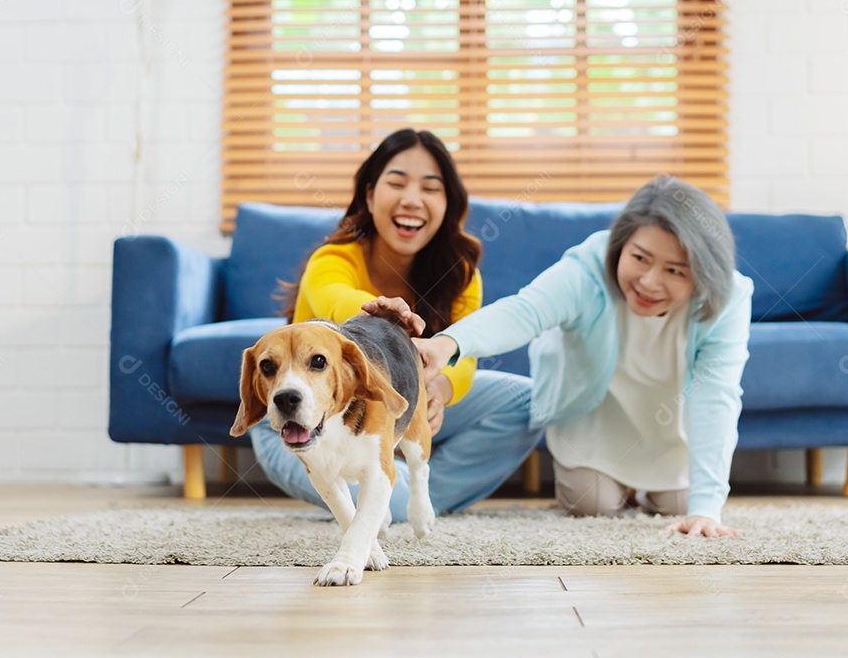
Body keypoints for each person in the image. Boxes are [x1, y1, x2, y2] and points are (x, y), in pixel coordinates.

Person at [414, 176, 753, 538]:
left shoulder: (727, 298)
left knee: (682, 504)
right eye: (640, 258)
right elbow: (525, 311)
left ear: (701, 274)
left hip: (668, 418)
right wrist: (448, 343)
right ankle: (620, 487)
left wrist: (706, 508)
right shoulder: (587, 268)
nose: (650, 282)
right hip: (591, 413)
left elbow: (715, 394)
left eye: (675, 271)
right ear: (621, 245)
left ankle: (652, 488)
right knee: (592, 504)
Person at [250, 128, 542, 522]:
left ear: (448, 206)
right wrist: (383, 312)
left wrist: (440, 386)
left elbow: (465, 353)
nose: (412, 199)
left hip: (399, 407)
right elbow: (336, 301)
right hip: (304, 425)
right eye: (397, 182)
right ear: (369, 195)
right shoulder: (331, 260)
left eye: (431, 187)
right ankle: (395, 492)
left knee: (528, 400)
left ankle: (411, 490)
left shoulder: (461, 275)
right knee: (387, 499)